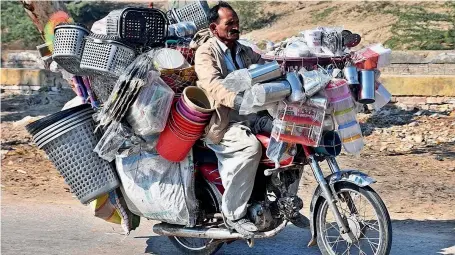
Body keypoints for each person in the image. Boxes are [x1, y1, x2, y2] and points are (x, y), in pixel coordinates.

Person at [193, 2, 273, 236]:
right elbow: (212, 85)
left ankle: (284, 203)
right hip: (224, 123)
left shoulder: (245, 50)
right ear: (214, 27)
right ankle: (233, 215)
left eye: (237, 22)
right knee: (250, 147)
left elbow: (267, 68)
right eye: (230, 24)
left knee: (289, 137)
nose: (235, 27)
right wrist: (237, 100)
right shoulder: (206, 52)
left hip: (252, 115)